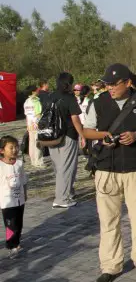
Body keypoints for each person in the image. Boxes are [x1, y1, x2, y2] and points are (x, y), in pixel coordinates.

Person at [83, 63, 136, 282]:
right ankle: (111, 265)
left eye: (114, 84)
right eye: (106, 83)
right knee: (108, 221)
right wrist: (103, 135)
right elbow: (86, 130)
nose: (109, 87)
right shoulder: (98, 102)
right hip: (106, 168)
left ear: (128, 82)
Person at [49, 72, 84, 209]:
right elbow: (75, 118)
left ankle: (67, 191)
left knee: (58, 167)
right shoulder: (69, 98)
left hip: (52, 136)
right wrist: (83, 134)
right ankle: (62, 198)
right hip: (68, 135)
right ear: (69, 83)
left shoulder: (50, 96)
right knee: (67, 167)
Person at [0, 136, 27, 259]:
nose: (15, 150)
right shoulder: (1, 166)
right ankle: (11, 245)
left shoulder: (19, 164)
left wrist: (25, 193)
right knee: (10, 224)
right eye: (11, 148)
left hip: (20, 200)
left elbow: (23, 180)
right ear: (2, 150)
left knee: (19, 223)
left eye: (16, 147)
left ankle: (17, 241)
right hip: (6, 202)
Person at [23, 86, 44, 168]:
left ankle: (33, 160)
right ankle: (38, 161)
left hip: (29, 124)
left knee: (31, 143)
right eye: (37, 90)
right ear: (33, 92)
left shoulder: (26, 102)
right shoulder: (36, 101)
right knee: (38, 143)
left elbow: (26, 114)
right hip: (36, 124)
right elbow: (38, 114)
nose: (38, 91)